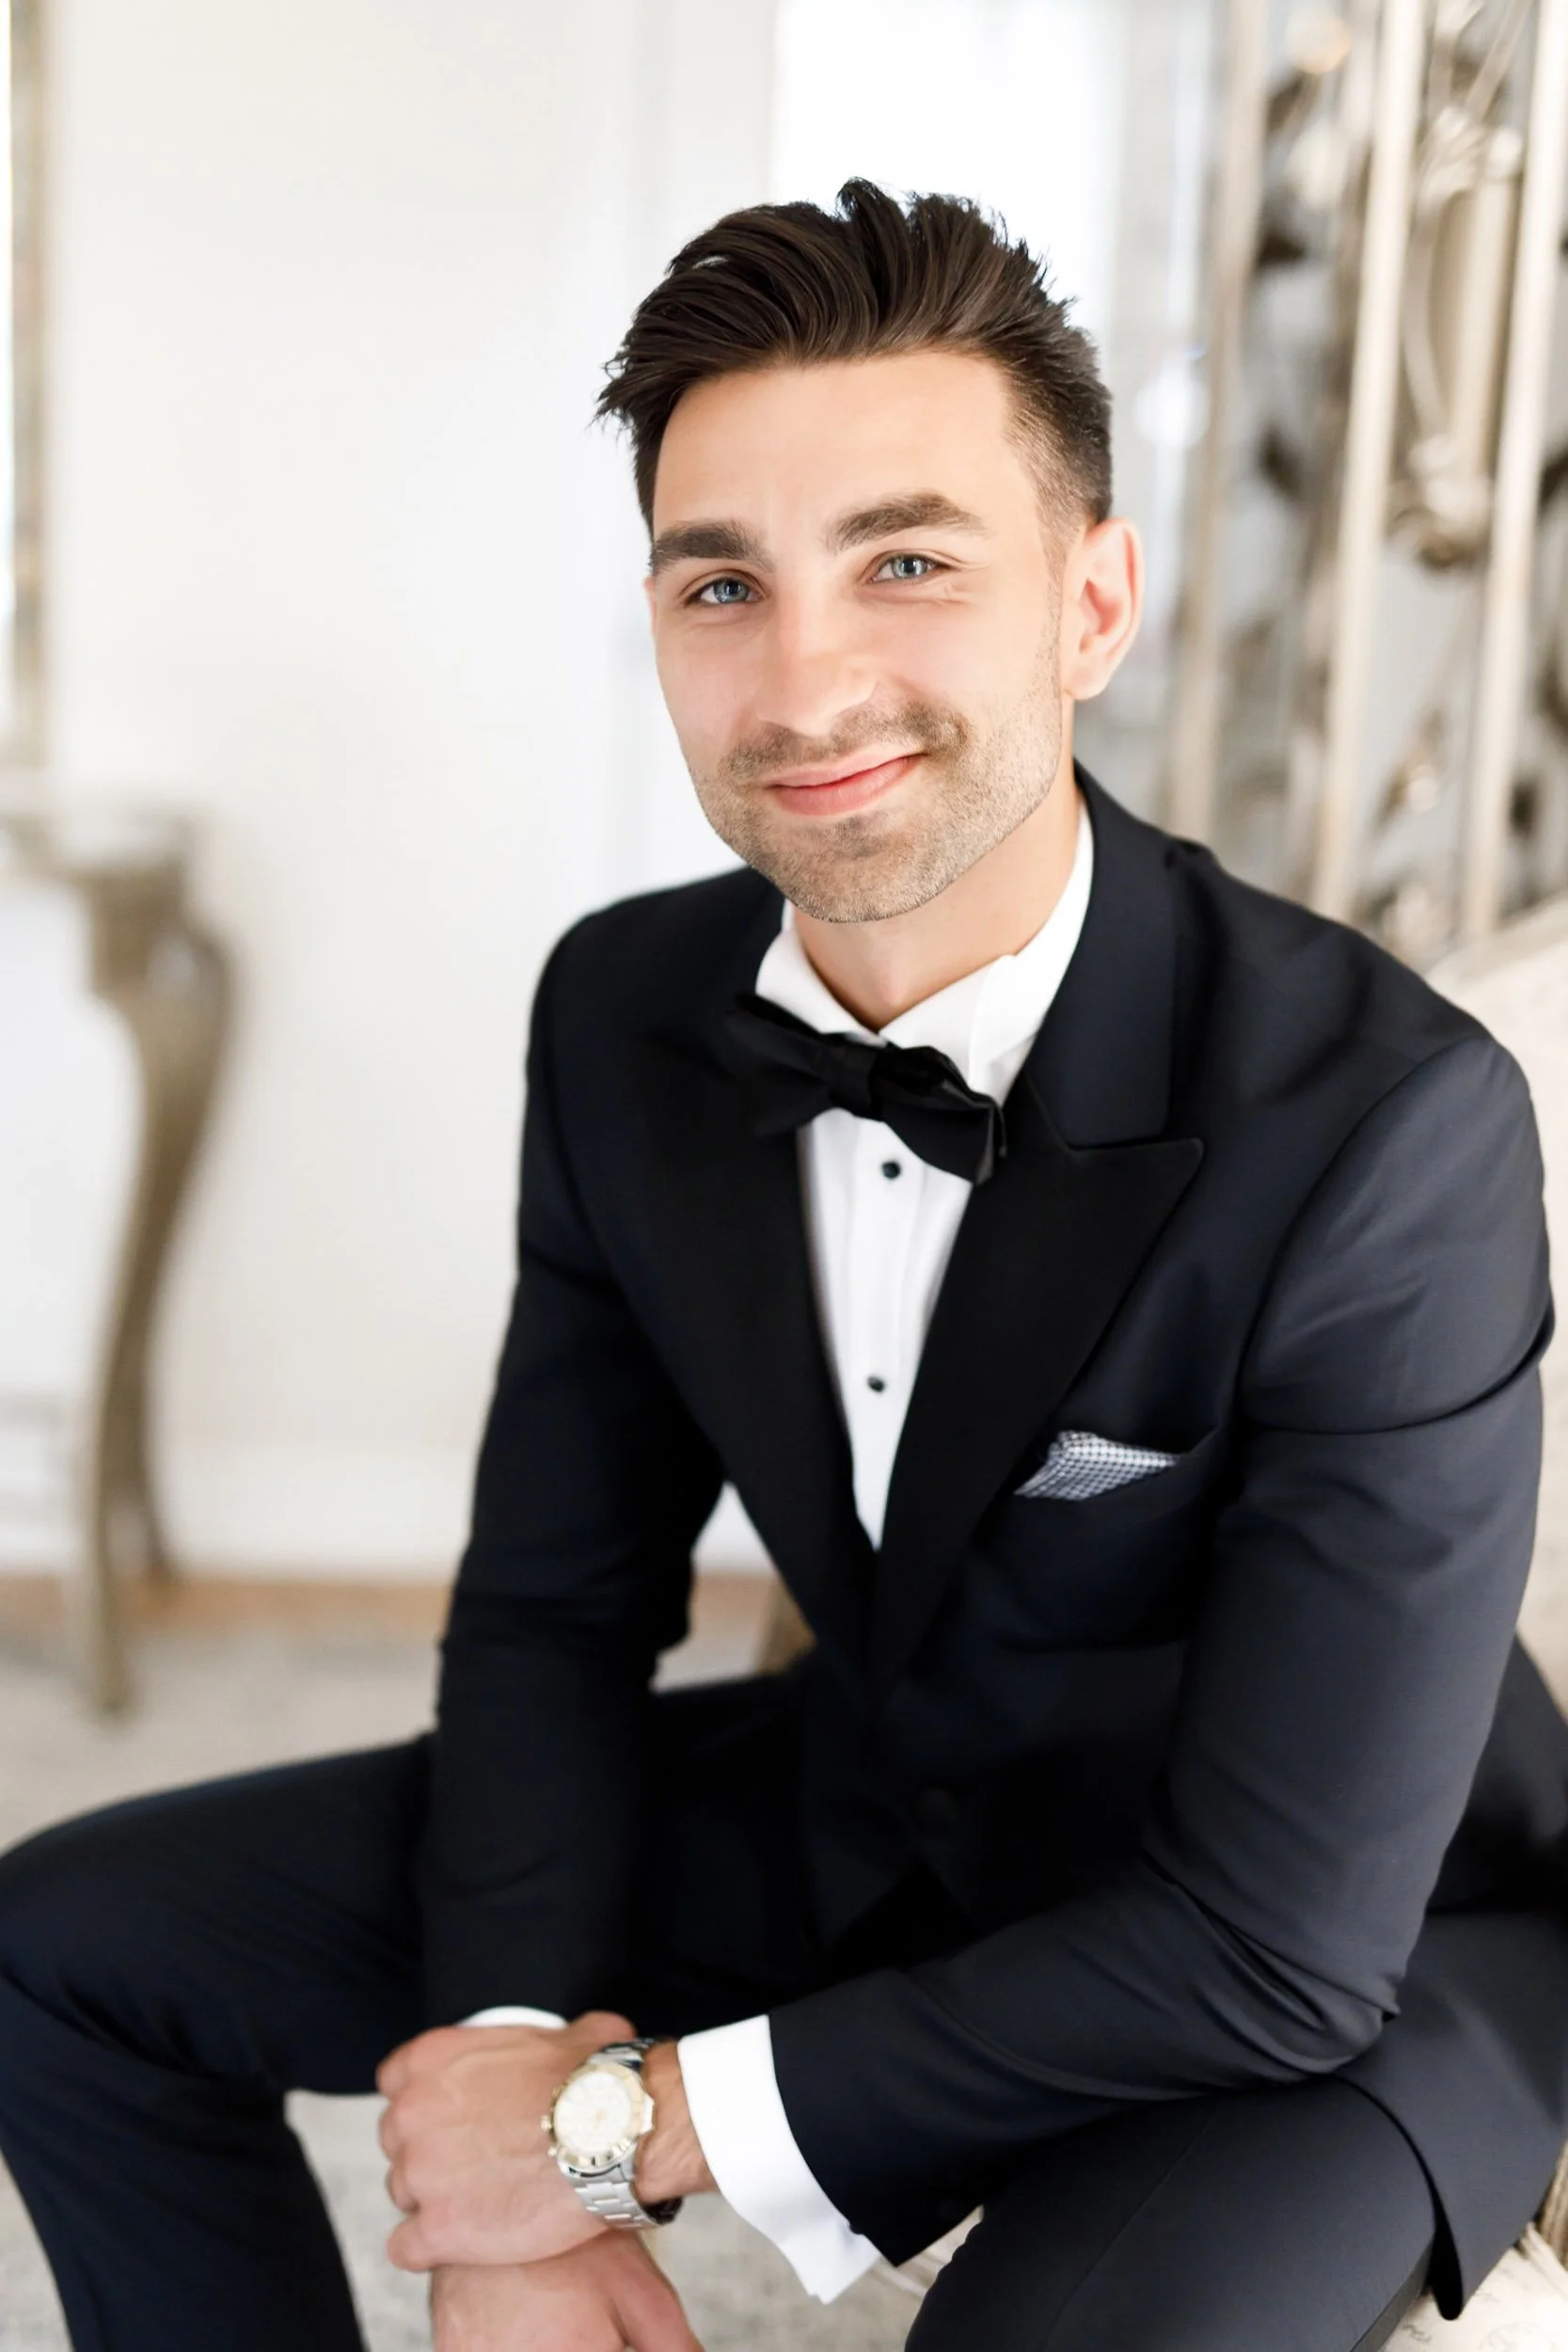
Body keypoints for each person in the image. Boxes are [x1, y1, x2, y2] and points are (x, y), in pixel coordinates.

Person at [2, 178, 1567, 2352]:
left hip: (1313, 1959)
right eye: (721, 583)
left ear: (1090, 602)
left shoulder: (1385, 1124)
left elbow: (1272, 1941)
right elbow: (556, 1606)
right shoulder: (622, 1009)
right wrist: (513, 2084)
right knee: (62, 1941)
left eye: (906, 562)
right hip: (874, 1808)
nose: (806, 678)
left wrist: (607, 2138)